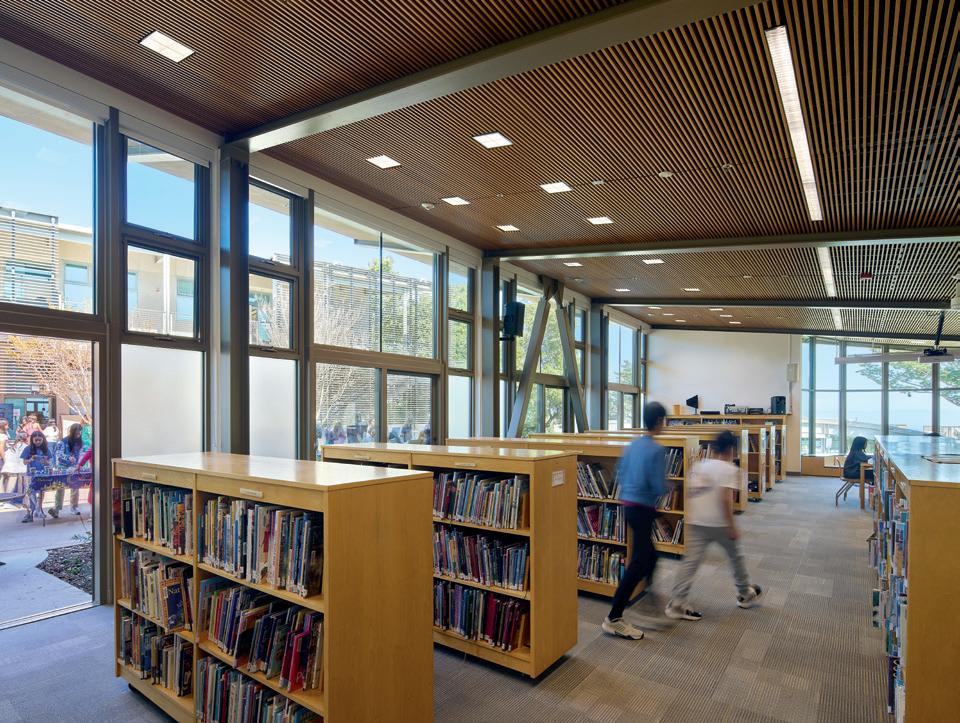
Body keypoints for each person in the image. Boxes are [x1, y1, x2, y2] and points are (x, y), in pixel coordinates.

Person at [665, 431, 763, 621]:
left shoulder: (699, 465)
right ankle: (744, 593)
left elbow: (690, 493)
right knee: (736, 557)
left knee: (690, 563)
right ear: (731, 449)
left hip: (696, 522)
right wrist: (732, 525)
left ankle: (677, 603)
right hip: (719, 524)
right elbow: (725, 500)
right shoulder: (729, 469)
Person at [601, 401, 670, 640]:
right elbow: (658, 486)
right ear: (659, 421)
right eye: (664, 421)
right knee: (639, 562)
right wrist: (668, 486)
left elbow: (619, 473)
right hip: (643, 508)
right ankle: (614, 616)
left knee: (651, 556)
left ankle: (649, 602)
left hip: (629, 507)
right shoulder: (656, 450)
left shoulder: (632, 445)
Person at [50, 423, 85, 517]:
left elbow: (82, 453)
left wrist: (80, 463)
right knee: (60, 488)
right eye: (76, 433)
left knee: (75, 487)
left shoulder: (80, 442)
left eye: (79, 433)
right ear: (72, 432)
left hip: (74, 467)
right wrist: (68, 457)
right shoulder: (62, 442)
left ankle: (74, 507)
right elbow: (58, 453)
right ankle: (56, 509)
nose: (78, 435)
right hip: (62, 467)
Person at [20, 430, 51, 522]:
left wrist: (45, 461)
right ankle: (32, 510)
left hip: (43, 474)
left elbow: (49, 462)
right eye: (36, 440)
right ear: (32, 440)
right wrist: (31, 459)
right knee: (30, 491)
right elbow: (25, 462)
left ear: (43, 439)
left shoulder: (46, 449)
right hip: (31, 474)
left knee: (41, 491)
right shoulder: (28, 449)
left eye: (39, 440)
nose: (38, 442)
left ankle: (38, 509)